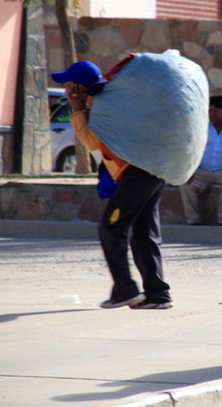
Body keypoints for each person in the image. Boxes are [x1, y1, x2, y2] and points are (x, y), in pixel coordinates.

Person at [52, 60, 173, 309]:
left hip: (137, 174)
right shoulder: (105, 102)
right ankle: (158, 294)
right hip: (152, 171)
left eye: (67, 83)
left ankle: (125, 289)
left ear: (78, 86)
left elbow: (92, 142)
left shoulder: (101, 107)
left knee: (111, 228)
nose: (65, 88)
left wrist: (76, 109)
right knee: (143, 234)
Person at [180, 95, 222, 226]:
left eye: (216, 110)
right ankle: (193, 220)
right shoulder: (201, 128)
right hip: (202, 171)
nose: (212, 114)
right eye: (210, 110)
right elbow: (192, 149)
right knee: (184, 181)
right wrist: (191, 168)